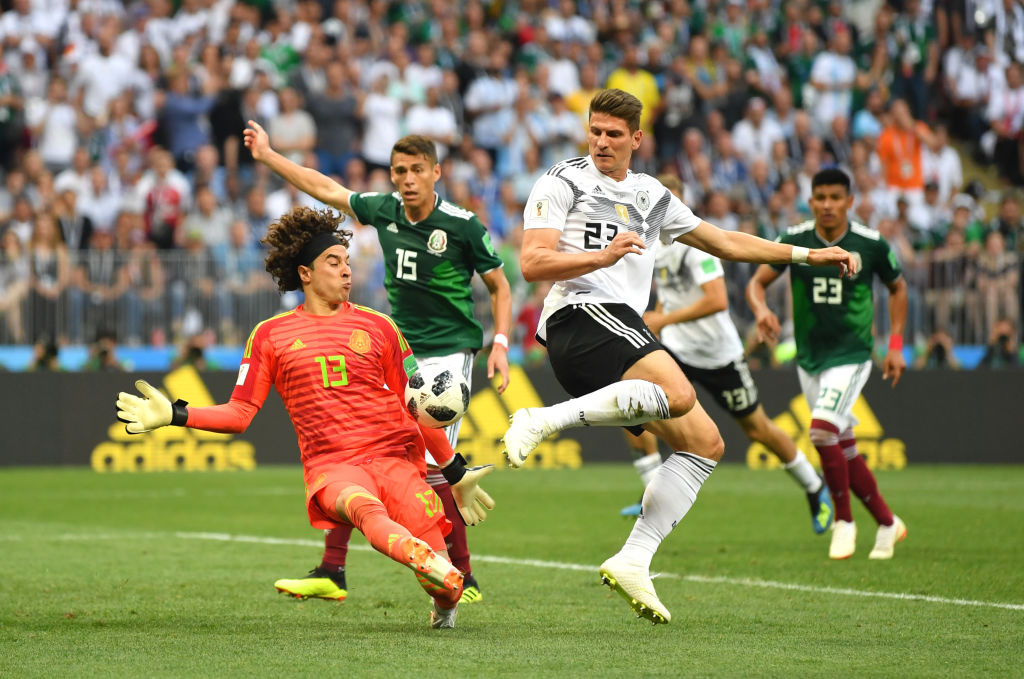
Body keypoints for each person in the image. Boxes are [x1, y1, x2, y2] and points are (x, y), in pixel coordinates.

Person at [501, 89, 856, 624]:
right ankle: (541, 419)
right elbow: (531, 262)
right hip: (579, 314)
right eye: (595, 131)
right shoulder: (561, 180)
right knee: (680, 392)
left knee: (706, 442)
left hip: (615, 327)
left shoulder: (650, 194)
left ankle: (634, 558)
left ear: (636, 139)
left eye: (613, 134)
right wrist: (605, 253)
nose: (601, 141)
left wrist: (807, 255)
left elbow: (726, 242)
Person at [114, 207, 495, 629]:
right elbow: (240, 414)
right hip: (333, 468)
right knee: (363, 510)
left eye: (348, 263)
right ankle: (418, 557)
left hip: (395, 460)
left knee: (448, 588)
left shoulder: (381, 327)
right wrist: (175, 413)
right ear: (305, 273)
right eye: (334, 263)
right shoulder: (270, 335)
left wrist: (454, 471)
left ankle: (442, 604)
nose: (346, 272)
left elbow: (418, 408)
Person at [244, 123, 511, 605]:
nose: (406, 179)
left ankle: (462, 575)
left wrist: (503, 342)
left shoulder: (463, 224)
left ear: (436, 172)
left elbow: (500, 285)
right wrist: (267, 156)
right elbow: (324, 187)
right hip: (397, 348)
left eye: (415, 170)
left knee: (433, 463)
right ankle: (333, 570)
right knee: (357, 446)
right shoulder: (385, 212)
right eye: (398, 171)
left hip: (447, 354)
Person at [624, 175, 834, 534]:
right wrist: (658, 319)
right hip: (677, 349)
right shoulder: (652, 243)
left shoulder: (692, 244)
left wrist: (664, 317)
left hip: (718, 354)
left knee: (758, 428)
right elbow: (670, 295)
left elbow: (717, 299)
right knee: (634, 405)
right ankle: (652, 495)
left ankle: (815, 488)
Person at [746, 167, 908, 562]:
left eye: (836, 197)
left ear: (850, 201)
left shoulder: (869, 243)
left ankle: (844, 522)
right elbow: (756, 281)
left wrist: (896, 345)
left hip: (852, 354)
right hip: (810, 357)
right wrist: (760, 308)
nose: (828, 205)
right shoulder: (796, 239)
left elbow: (898, 287)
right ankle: (888, 524)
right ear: (811, 200)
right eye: (821, 197)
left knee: (820, 431)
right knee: (841, 443)